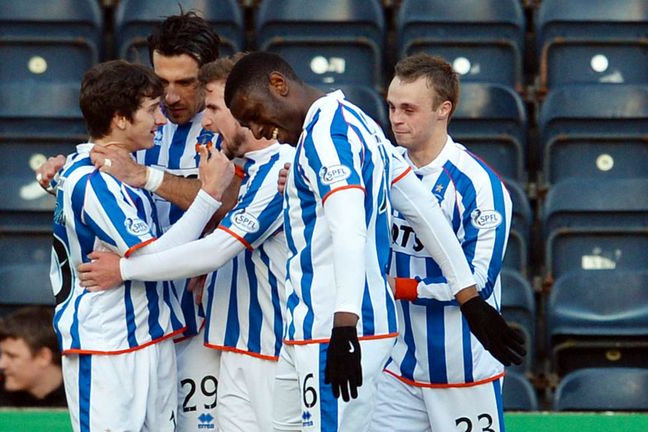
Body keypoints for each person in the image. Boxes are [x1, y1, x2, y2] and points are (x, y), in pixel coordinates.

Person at [224, 52, 524, 431]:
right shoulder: (359, 124)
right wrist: (468, 297)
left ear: (279, 85)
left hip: (346, 332)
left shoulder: (328, 137)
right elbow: (420, 206)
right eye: (392, 107)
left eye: (253, 114)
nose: (256, 131)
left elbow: (351, 226)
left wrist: (345, 324)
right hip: (359, 345)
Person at [36, 12, 235, 431]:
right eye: (162, 83)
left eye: (187, 82)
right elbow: (86, 178)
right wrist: (58, 176)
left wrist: (150, 178)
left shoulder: (226, 127)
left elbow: (233, 202)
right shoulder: (136, 124)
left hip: (197, 318)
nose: (171, 98)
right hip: (123, 326)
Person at [76, 54, 293, 432]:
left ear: (245, 106)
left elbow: (215, 250)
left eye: (212, 108)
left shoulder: (283, 169)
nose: (205, 121)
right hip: (233, 345)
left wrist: (124, 269)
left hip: (274, 349)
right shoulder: (246, 170)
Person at [370, 53, 519, 432]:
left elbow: (479, 284)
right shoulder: (377, 170)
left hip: (463, 371)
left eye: (409, 109)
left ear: (443, 110)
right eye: (391, 107)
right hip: (397, 367)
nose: (396, 119)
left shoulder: (479, 186)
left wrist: (398, 288)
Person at [0, 306, 66, 407]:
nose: (0, 365)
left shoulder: (79, 397)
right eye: (1, 354)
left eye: (11, 356)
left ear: (43, 357)